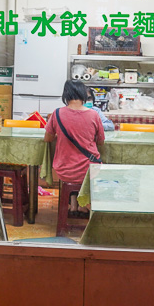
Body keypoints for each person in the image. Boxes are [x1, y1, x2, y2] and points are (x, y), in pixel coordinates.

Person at [43, 80, 105, 216]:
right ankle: (84, 206)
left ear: (66, 95)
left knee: (72, 173)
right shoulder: (94, 115)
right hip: (88, 170)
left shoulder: (57, 113)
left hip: (64, 170)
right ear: (84, 95)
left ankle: (75, 206)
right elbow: (101, 142)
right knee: (87, 171)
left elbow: (47, 138)